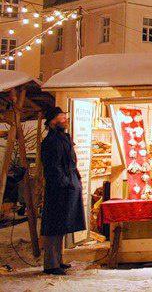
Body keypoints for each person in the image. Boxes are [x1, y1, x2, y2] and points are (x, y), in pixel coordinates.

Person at [40, 106, 86, 275]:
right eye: (62, 117)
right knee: (54, 224)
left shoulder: (63, 138)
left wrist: (75, 180)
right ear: (53, 120)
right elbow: (53, 166)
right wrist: (65, 182)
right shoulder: (51, 141)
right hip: (58, 188)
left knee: (62, 224)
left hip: (67, 185)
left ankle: (58, 260)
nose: (65, 119)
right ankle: (51, 264)